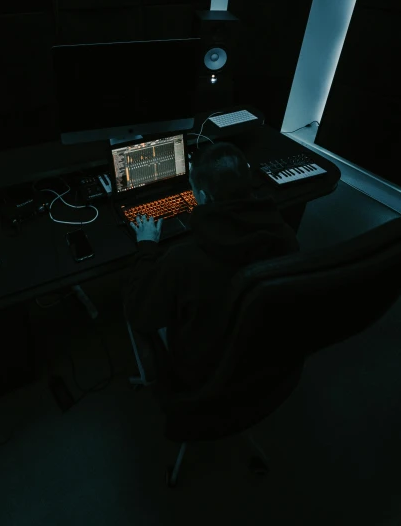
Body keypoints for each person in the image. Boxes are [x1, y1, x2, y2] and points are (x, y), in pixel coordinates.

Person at [122, 140, 300, 392]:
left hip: (203, 368)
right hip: (264, 355)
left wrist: (147, 247)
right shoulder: (286, 236)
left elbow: (139, 313)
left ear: (203, 196)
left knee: (134, 292)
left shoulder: (184, 259)